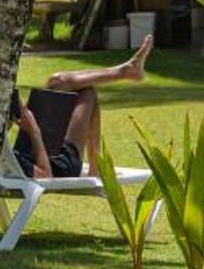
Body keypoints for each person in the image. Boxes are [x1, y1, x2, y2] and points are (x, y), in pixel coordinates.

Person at [11, 37, 149, 180]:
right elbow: (46, 175)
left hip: (33, 148)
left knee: (59, 82)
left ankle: (127, 70)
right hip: (59, 166)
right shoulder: (0, 156)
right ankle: (127, 70)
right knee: (86, 92)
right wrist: (34, 131)